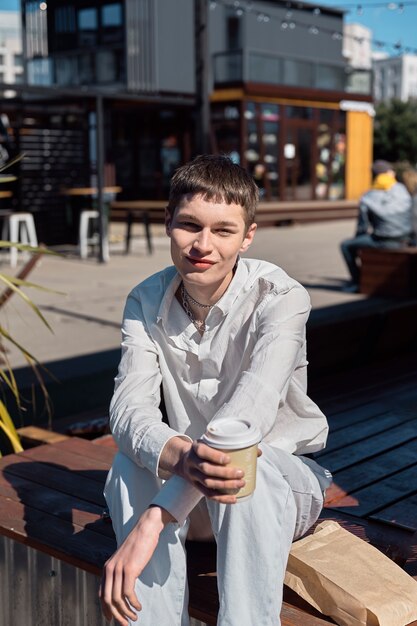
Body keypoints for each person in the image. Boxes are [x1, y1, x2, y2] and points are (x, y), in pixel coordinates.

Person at [99, 154, 331, 626]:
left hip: (279, 491)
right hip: (196, 498)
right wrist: (179, 462)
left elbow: (246, 421)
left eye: (223, 231)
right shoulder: (146, 298)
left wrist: (156, 516)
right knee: (129, 463)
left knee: (251, 471)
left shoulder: (281, 297)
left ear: (247, 237)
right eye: (190, 225)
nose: (203, 245)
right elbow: (128, 411)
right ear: (168, 223)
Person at [340, 159, 412, 292]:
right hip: (406, 238)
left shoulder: (368, 196)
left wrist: (359, 239)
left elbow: (362, 227)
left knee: (346, 246)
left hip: (383, 240)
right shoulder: (402, 189)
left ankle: (356, 281)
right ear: (389, 173)